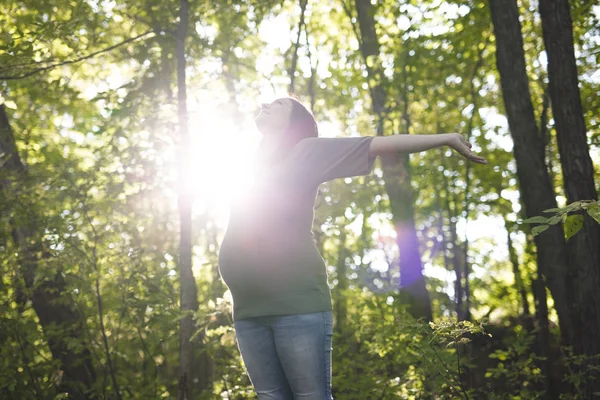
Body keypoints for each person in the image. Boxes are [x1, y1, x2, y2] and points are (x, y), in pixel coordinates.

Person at [218, 97, 487, 400]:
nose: (266, 103)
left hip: (295, 302)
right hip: (247, 308)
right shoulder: (249, 166)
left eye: (279, 104)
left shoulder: (306, 152)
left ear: (294, 123)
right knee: (270, 397)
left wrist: (446, 139)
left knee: (311, 397)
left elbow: (381, 144)